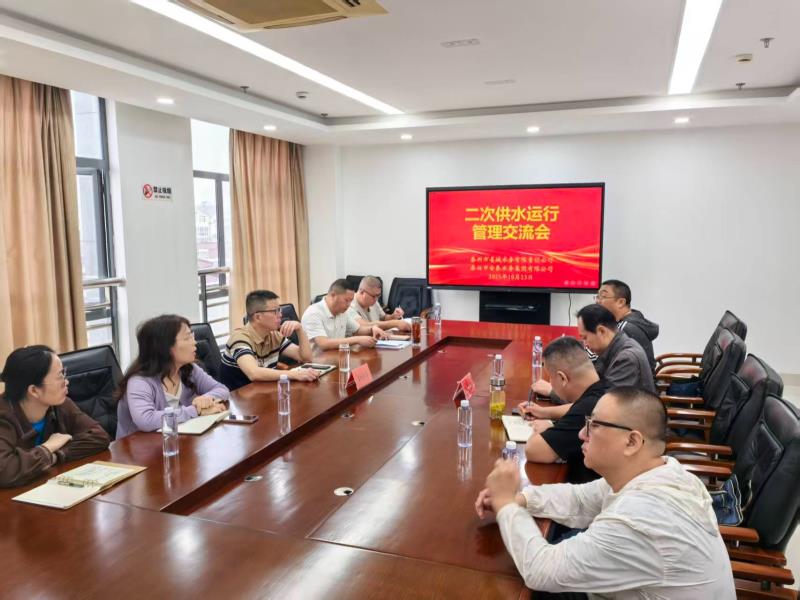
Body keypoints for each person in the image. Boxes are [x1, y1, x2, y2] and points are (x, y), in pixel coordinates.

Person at [476, 387, 735, 598]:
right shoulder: (661, 471)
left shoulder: (642, 519)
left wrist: (506, 503)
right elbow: (580, 500)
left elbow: (540, 570)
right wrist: (521, 498)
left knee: (511, 588)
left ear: (632, 441)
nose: (581, 434)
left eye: (594, 426)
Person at [0, 345, 110, 487]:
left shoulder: (60, 404)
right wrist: (48, 447)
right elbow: (5, 471)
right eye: (60, 376)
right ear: (34, 390)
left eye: (64, 373)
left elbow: (99, 436)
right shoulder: (4, 415)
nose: (66, 381)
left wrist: (54, 456)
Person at [116, 315, 229, 439]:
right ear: (165, 347)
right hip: (139, 447)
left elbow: (222, 389)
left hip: (178, 441)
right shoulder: (139, 381)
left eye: (192, 336)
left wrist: (206, 398)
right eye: (187, 338)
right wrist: (196, 410)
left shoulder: (189, 369)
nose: (194, 342)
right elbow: (146, 420)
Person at [517, 337, 608, 483]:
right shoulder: (604, 386)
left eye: (551, 378)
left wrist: (543, 429)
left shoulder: (589, 410)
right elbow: (576, 407)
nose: (550, 383)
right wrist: (543, 412)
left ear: (562, 378)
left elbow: (534, 450)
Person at [532, 305, 655, 398]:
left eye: (585, 337)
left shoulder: (626, 358)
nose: (585, 344)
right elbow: (592, 388)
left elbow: (600, 403)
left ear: (601, 331)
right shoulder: (613, 348)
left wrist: (553, 392)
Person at [220, 290, 319, 390]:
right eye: (275, 311)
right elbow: (253, 373)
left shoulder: (273, 335)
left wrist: (300, 329)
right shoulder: (239, 338)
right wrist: (296, 374)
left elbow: (306, 357)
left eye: (279, 310)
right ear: (258, 317)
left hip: (262, 391)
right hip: (237, 396)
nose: (280, 315)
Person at [301, 279, 388, 351]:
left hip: (338, 357)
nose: (349, 305)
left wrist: (373, 329)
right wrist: (357, 340)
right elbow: (324, 343)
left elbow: (357, 330)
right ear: (333, 295)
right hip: (317, 362)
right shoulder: (313, 313)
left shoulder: (342, 312)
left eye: (351, 301)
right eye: (346, 300)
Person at [595, 279, 659, 372]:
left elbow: (601, 363)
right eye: (597, 296)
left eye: (603, 296)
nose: (597, 301)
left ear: (621, 302)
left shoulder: (625, 328)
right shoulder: (627, 323)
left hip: (629, 380)